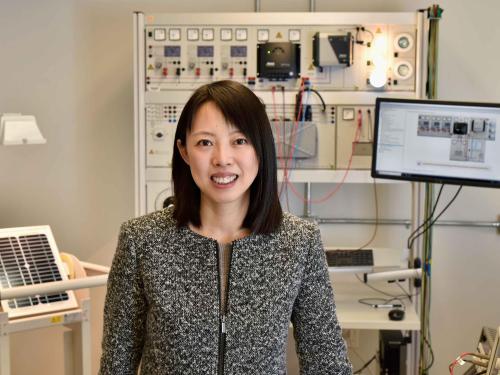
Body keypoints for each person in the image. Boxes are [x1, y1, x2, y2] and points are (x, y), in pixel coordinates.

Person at [99, 80, 352, 374]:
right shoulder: (141, 241)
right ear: (184, 151)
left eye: (239, 141)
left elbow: (327, 361)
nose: (222, 159)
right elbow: (116, 364)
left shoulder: (299, 243)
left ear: (260, 148)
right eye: (205, 142)